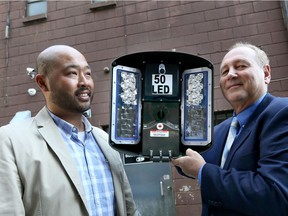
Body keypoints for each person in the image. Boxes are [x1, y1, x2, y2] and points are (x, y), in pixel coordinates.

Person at [0, 45, 140, 216]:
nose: (84, 82)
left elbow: (129, 210)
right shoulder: (11, 140)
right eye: (72, 73)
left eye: (87, 73)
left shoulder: (106, 140)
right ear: (43, 83)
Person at [172, 42, 288, 216]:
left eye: (241, 66)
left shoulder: (281, 113)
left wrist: (202, 172)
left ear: (266, 73)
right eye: (225, 71)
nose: (231, 74)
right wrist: (167, 143)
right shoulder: (219, 131)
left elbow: (274, 194)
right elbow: (191, 158)